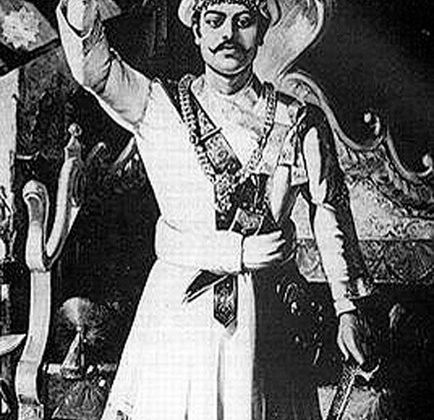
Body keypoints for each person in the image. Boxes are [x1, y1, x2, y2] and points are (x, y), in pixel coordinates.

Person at [56, 0, 374, 418]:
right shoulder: (158, 105)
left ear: (262, 31)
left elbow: (329, 208)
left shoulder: (298, 120)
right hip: (180, 311)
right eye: (215, 21)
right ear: (197, 31)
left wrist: (347, 309)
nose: (228, 34)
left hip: (268, 316)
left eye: (243, 22)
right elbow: (93, 71)